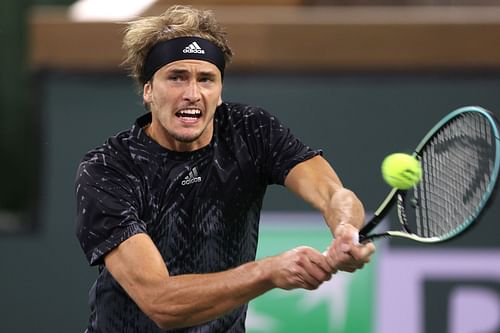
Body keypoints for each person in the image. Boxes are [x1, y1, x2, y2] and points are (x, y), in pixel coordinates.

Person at [75, 4, 375, 333]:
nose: (192, 94)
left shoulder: (251, 131)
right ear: (148, 90)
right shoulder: (109, 169)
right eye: (176, 77)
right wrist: (268, 272)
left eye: (206, 79)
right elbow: (160, 302)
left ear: (219, 93)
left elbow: (332, 193)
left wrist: (345, 227)